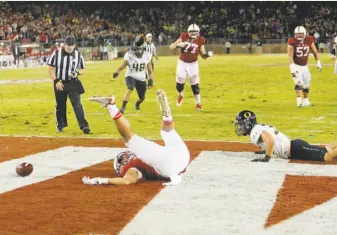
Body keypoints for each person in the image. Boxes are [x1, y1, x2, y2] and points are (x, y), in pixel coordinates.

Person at [82, 89, 190, 186]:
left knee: (134, 138)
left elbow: (126, 181)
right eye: (122, 159)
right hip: (182, 155)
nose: (125, 159)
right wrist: (101, 180)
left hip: (173, 163)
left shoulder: (132, 166)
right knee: (165, 132)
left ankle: (111, 105)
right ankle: (167, 116)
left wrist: (100, 180)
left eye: (122, 158)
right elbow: (127, 180)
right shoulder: (133, 165)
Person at [234, 110, 337, 162]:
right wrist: (265, 150)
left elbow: (270, 141)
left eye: (241, 124)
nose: (240, 127)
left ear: (248, 123)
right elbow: (270, 141)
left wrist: (267, 157)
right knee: (326, 149)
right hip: (295, 147)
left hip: (295, 150)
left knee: (327, 156)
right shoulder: (257, 127)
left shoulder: (255, 131)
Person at [47, 36, 90, 134]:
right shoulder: (56, 54)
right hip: (60, 82)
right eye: (68, 46)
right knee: (60, 105)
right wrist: (56, 81)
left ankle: (84, 126)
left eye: (72, 46)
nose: (70, 48)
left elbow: (83, 68)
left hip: (73, 82)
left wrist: (78, 73)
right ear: (64, 45)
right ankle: (60, 125)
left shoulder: (78, 55)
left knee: (78, 105)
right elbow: (50, 69)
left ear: (74, 45)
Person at [169, 24, 213, 111]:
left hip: (193, 64)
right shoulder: (183, 36)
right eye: (191, 32)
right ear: (188, 32)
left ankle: (198, 103)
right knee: (179, 83)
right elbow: (172, 47)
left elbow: (203, 55)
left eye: (195, 32)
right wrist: (178, 44)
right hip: (182, 63)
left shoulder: (200, 40)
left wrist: (208, 55)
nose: (193, 34)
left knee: (195, 85)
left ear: (198, 32)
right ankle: (180, 94)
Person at [112, 35, 154, 114]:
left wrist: (150, 81)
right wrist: (117, 72)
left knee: (142, 97)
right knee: (130, 88)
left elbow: (150, 71)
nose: (136, 50)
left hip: (141, 78)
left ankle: (137, 103)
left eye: (138, 48)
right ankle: (123, 108)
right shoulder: (129, 54)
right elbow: (122, 66)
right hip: (130, 75)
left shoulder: (147, 55)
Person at [288, 26, 322, 108]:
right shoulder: (292, 41)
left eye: (301, 34)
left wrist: (318, 62)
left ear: (305, 34)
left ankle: (306, 101)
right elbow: (290, 57)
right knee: (298, 83)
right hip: (296, 65)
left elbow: (314, 51)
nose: (299, 36)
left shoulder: (309, 39)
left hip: (305, 66)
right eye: (297, 34)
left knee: (306, 84)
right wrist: (293, 68)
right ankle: (299, 102)